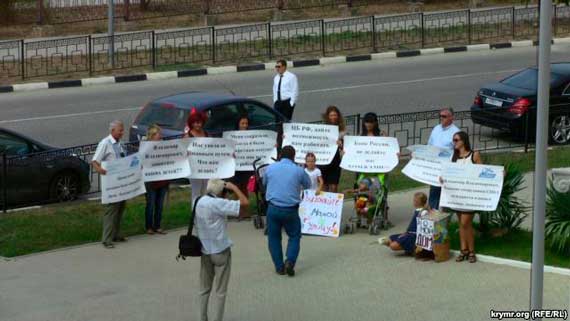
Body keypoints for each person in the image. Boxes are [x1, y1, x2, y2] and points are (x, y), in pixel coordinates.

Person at [194, 179, 249, 321]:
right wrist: (235, 188)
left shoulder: (197, 201)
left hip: (204, 250)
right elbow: (245, 203)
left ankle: (202, 318)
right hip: (220, 250)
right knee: (220, 291)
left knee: (204, 289)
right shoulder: (217, 203)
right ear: (221, 192)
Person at [263, 145, 311, 277]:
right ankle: (290, 261)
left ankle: (279, 267)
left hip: (273, 208)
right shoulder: (299, 170)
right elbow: (308, 185)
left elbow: (264, 182)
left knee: (273, 237)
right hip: (290, 209)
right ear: (294, 157)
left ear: (280, 156)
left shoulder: (270, 168)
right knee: (294, 236)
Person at [440, 131, 482, 264]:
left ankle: (471, 251)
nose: (454, 142)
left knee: (465, 223)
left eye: (456, 140)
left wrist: (499, 174)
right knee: (462, 224)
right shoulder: (454, 157)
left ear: (464, 141)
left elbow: (483, 171)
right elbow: (449, 173)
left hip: (470, 195)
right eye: (453, 140)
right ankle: (464, 250)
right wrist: (443, 179)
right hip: (457, 196)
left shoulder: (474, 155)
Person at [92, 120, 128, 249]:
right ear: (112, 131)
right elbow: (95, 161)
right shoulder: (105, 143)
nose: (122, 132)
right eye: (120, 130)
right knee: (111, 210)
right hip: (111, 184)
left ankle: (116, 234)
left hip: (121, 182)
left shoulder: (120, 144)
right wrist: (100, 169)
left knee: (120, 208)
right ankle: (106, 239)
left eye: (122, 130)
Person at [427, 108, 460, 210]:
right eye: (440, 116)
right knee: (434, 193)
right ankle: (432, 217)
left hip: (446, 168)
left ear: (451, 117)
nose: (441, 118)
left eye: (444, 116)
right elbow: (429, 145)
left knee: (445, 195)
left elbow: (458, 152)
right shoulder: (436, 128)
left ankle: (443, 218)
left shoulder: (456, 132)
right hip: (434, 167)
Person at [144, 124, 169, 235]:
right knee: (151, 204)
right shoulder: (145, 148)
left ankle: (157, 225)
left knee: (159, 205)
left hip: (162, 180)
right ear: (152, 135)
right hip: (150, 181)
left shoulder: (164, 146)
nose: (161, 136)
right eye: (159, 134)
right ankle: (149, 227)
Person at [228, 115, 253, 219]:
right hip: (236, 166)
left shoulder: (252, 135)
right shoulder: (232, 136)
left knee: (244, 188)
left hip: (246, 166)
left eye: (246, 123)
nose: (244, 125)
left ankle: (245, 212)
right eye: (242, 123)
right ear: (238, 124)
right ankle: (237, 211)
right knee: (236, 188)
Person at [185, 109, 209, 205]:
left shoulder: (206, 134)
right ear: (191, 124)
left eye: (199, 123)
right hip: (193, 168)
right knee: (196, 192)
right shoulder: (188, 136)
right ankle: (195, 216)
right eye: (195, 123)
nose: (198, 125)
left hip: (205, 167)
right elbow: (183, 151)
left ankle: (203, 214)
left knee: (205, 191)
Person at [319, 106, 345, 193]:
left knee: (334, 186)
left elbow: (346, 147)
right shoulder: (322, 129)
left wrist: (341, 145)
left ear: (338, 116)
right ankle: (324, 205)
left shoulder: (342, 130)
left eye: (335, 115)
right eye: (331, 115)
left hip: (335, 161)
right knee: (324, 186)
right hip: (324, 160)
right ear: (327, 116)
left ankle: (333, 205)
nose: (333, 117)